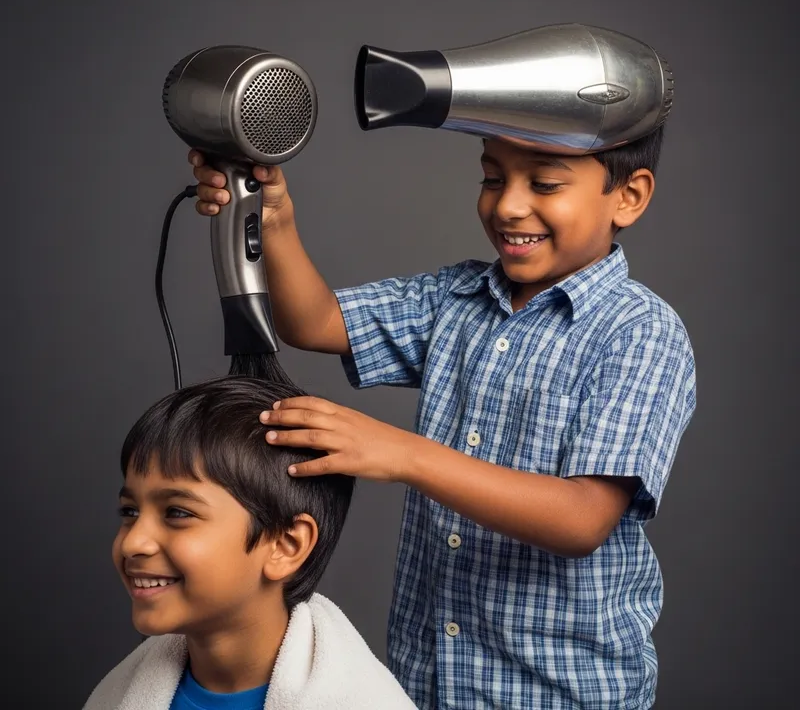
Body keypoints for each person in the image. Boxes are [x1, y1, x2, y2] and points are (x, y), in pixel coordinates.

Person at [188, 123, 696, 709]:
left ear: (628, 196)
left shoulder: (640, 333)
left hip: (560, 693)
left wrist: (403, 454)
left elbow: (582, 519)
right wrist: (273, 218)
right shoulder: (455, 299)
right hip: (427, 683)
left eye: (546, 184)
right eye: (492, 177)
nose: (507, 205)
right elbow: (318, 321)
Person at [83, 375, 416, 710]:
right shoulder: (118, 696)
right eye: (129, 511)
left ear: (286, 545)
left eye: (177, 512)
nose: (133, 543)